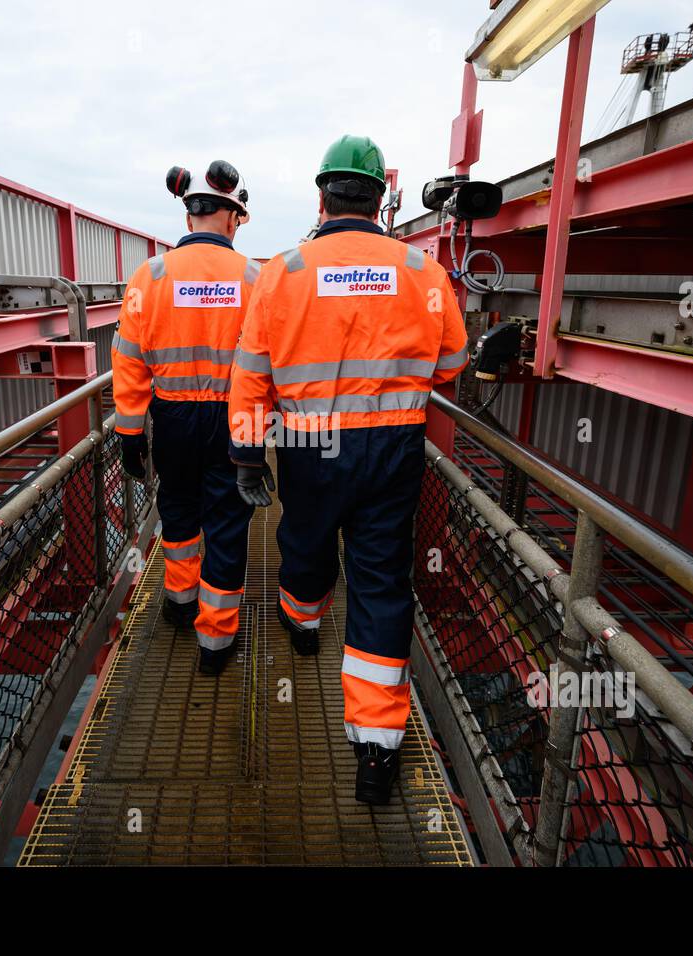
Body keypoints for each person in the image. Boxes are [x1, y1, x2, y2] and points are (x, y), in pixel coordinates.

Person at [227, 135, 468, 804]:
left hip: (311, 445)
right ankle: (375, 747)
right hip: (394, 447)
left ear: (321, 195)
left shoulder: (284, 272)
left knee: (304, 544)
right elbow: (452, 360)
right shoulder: (421, 270)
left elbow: (251, 379)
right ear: (383, 198)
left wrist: (248, 455)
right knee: (382, 581)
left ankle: (303, 625)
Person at [112, 160, 260, 675]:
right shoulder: (253, 278)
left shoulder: (149, 275)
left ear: (189, 212)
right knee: (227, 520)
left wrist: (130, 430)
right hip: (232, 419)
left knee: (176, 506)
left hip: (170, 417)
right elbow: (270, 361)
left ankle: (179, 599)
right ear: (232, 216)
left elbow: (128, 359)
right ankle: (215, 641)